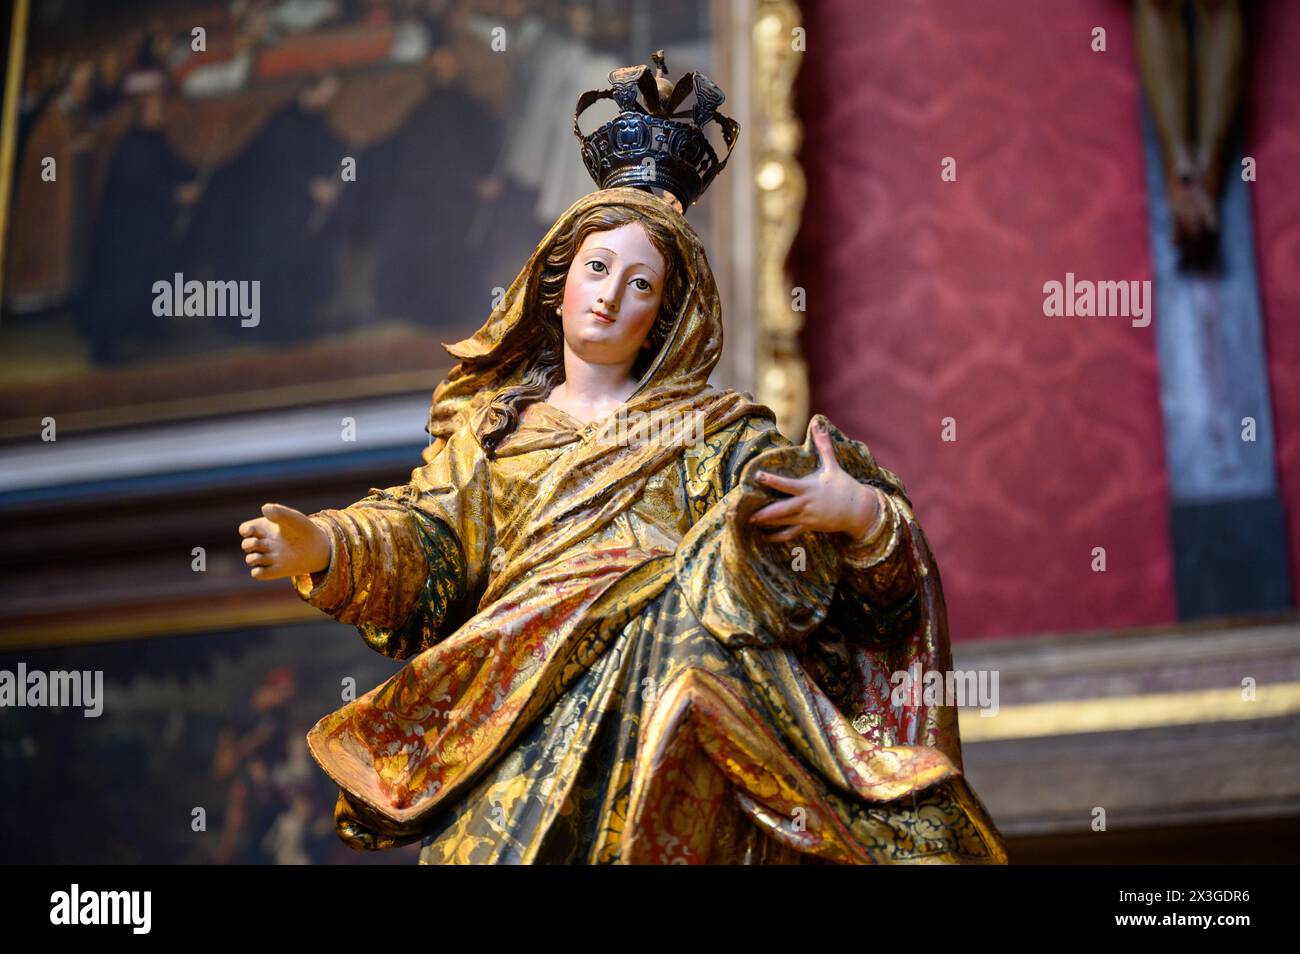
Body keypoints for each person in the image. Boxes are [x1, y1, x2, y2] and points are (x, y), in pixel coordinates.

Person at [237, 56, 1008, 865]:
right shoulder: (496, 433)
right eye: (597, 269)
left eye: (641, 284)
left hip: (673, 730)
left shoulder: (712, 435)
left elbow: (822, 586)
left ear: (666, 315)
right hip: (518, 727)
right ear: (557, 280)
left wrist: (857, 517)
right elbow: (429, 545)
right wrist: (325, 548)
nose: (609, 295)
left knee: (686, 645)